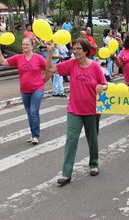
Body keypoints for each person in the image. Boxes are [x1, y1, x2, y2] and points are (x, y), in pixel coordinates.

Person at [45, 38, 107, 186]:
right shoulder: (71, 64)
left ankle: (93, 163)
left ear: (85, 51)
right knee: (71, 139)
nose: (76, 51)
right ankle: (66, 173)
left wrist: (102, 87)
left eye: (79, 48)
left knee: (92, 138)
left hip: (92, 109)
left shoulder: (95, 67)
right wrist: (48, 52)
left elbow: (105, 84)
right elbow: (50, 69)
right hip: (74, 109)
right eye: (74, 48)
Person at [0, 37, 52, 144]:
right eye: (23, 44)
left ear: (32, 46)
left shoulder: (38, 58)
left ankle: (35, 135)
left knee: (34, 111)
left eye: (27, 44)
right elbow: (3, 62)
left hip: (37, 89)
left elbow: (49, 69)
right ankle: (33, 133)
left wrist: (42, 82)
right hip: (24, 90)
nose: (25, 46)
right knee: (29, 113)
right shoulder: (18, 58)